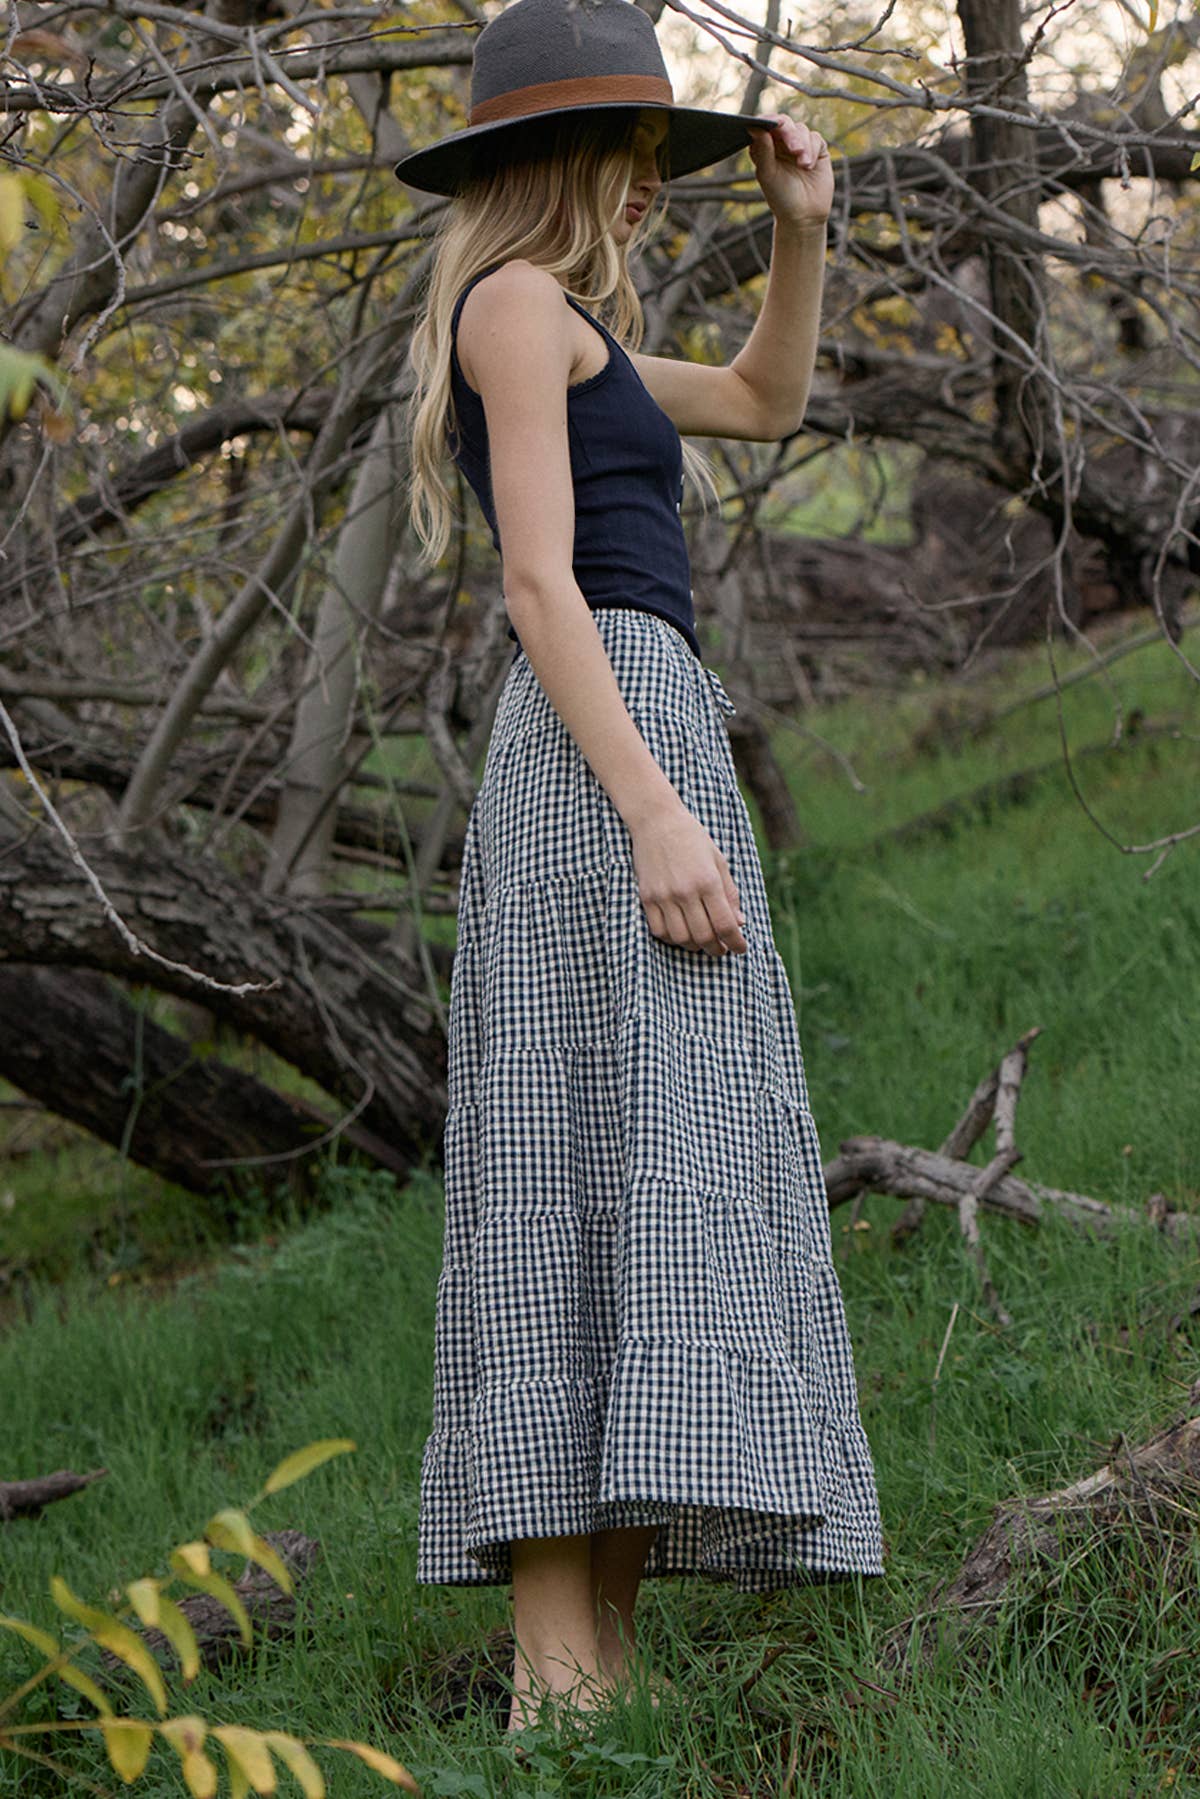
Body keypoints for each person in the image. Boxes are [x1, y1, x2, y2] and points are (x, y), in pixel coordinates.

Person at [397, 0, 885, 1737]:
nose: (651, 185)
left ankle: (586, 1699)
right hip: (600, 743)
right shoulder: (515, 304)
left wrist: (801, 232)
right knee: (568, 1166)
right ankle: (556, 1691)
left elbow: (764, 397)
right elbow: (542, 585)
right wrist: (655, 810)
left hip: (639, 727)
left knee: (635, 1158)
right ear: (565, 156)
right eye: (635, 153)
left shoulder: (572, 321)